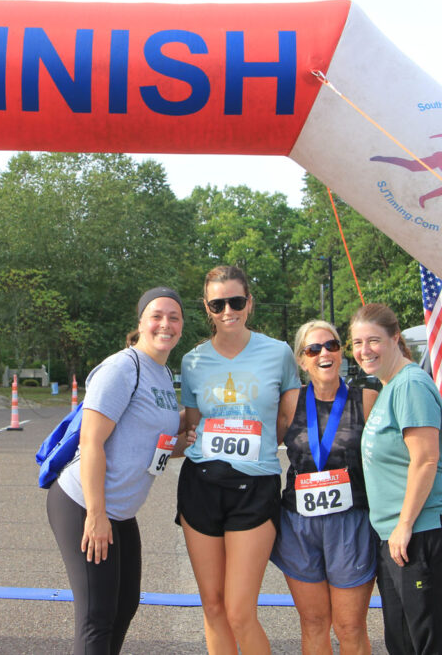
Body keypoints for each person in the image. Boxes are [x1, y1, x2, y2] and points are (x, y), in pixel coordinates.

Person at [47, 286, 192, 655]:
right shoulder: (122, 368)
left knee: (124, 605)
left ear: (182, 326)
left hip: (121, 512)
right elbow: (91, 442)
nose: (165, 324)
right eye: (156, 316)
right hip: (84, 503)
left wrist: (188, 441)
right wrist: (96, 515)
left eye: (174, 317)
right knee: (96, 616)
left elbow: (153, 444)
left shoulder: (162, 373)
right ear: (140, 323)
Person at [177, 265, 301, 654]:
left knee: (239, 612)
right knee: (213, 607)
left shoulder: (278, 353)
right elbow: (193, 425)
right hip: (200, 484)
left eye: (235, 301)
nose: (227, 311)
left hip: (255, 486)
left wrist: (256, 444)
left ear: (249, 302)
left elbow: (286, 420)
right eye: (218, 304)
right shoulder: (192, 361)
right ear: (207, 307)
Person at [349, 303, 442, 655]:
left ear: (395, 338)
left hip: (423, 527)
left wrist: (404, 525)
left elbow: (425, 459)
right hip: (397, 532)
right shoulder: (390, 386)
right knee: (402, 640)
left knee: (430, 641)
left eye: (373, 340)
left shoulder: (410, 384)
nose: (364, 350)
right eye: (357, 342)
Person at [270, 320, 378, 655]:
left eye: (331, 345)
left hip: (351, 523)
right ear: (302, 361)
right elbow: (262, 446)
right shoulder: (291, 401)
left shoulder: (367, 399)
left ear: (341, 352)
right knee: (314, 624)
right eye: (313, 349)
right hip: (299, 525)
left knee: (350, 627)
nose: (324, 354)